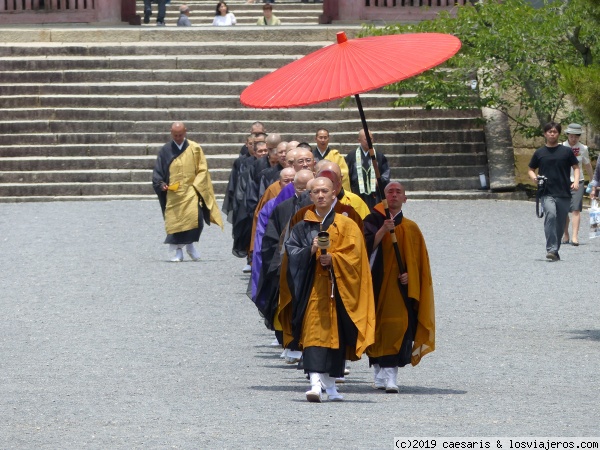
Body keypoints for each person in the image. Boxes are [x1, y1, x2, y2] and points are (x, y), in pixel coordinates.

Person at [285, 177, 375, 402]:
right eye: (316, 192)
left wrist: (333, 259)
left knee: (335, 337)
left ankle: (332, 386)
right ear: (311, 196)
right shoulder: (303, 224)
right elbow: (291, 253)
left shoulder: (347, 225)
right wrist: (310, 250)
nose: (321, 195)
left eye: (325, 191)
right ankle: (315, 384)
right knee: (313, 335)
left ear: (334, 193)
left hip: (338, 292)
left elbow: (356, 257)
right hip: (313, 290)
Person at [363, 181, 435, 393]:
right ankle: (378, 369)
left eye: (398, 192)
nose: (394, 195)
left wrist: (410, 277)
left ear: (405, 198)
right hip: (375, 283)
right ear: (383, 198)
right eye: (389, 192)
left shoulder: (411, 228)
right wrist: (382, 231)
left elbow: (420, 263)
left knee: (398, 325)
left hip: (399, 288)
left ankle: (391, 374)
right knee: (376, 326)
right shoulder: (371, 221)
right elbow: (363, 251)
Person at [152, 122, 223, 261]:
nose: (178, 138)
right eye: (175, 135)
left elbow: (203, 169)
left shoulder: (194, 148)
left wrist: (197, 185)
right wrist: (161, 184)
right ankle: (179, 251)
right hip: (174, 193)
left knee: (196, 220)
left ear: (185, 132)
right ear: (171, 133)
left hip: (191, 190)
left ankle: (190, 245)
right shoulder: (165, 150)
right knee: (176, 222)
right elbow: (158, 171)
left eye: (180, 135)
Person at [528, 122, 580, 261]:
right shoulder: (539, 153)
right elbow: (530, 169)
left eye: (555, 132)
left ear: (558, 134)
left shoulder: (566, 151)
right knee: (550, 215)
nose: (552, 134)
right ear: (545, 134)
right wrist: (535, 178)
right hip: (546, 191)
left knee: (561, 222)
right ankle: (551, 249)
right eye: (549, 132)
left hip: (563, 191)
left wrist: (575, 182)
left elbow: (576, 167)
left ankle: (555, 250)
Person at [561, 123, 593, 246]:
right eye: (571, 136)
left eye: (576, 137)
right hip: (563, 181)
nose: (573, 139)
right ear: (567, 135)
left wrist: (592, 181)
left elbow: (587, 164)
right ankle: (566, 234)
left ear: (579, 137)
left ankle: (575, 236)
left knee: (576, 209)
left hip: (578, 180)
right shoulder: (561, 147)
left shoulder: (583, 148)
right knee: (563, 210)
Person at [345, 129, 390, 211]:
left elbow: (386, 173)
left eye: (371, 139)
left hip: (375, 194)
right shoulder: (351, 156)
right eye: (366, 139)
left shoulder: (379, 156)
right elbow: (347, 175)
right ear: (359, 140)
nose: (369, 141)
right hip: (357, 192)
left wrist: (380, 180)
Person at [313, 128, 351, 193]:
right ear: (316, 138)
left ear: (329, 139)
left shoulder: (336, 155)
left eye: (325, 138)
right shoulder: (311, 156)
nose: (323, 140)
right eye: (320, 137)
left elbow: (344, 172)